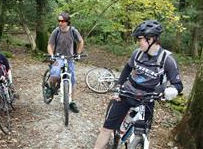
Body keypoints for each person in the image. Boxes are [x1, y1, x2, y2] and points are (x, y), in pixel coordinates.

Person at [94, 20, 183, 148]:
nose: (138, 42)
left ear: (151, 39)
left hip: (147, 99)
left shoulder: (167, 59)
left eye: (140, 39)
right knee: (106, 128)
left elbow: (178, 84)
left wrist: (172, 90)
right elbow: (127, 68)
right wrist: (118, 87)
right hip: (127, 93)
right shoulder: (138, 53)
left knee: (143, 133)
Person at [46, 12, 84, 113]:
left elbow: (81, 41)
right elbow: (50, 45)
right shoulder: (56, 31)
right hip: (58, 58)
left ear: (67, 22)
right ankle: (50, 89)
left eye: (62, 21)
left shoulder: (73, 31)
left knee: (72, 79)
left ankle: (72, 102)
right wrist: (51, 55)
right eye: (59, 21)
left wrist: (78, 53)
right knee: (54, 73)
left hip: (70, 58)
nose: (60, 23)